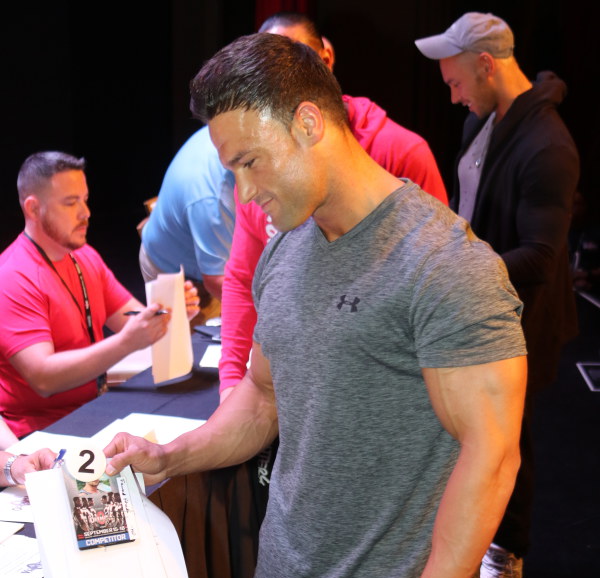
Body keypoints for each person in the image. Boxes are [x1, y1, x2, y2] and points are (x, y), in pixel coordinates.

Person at [105, 33, 527, 578]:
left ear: (308, 123)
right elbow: (263, 399)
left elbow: (493, 455)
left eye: (250, 163)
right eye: (232, 170)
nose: (244, 192)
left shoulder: (447, 267)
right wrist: (169, 456)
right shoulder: (288, 248)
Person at [415, 12, 580, 578]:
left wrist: (459, 269)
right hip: (479, 302)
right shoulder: (483, 122)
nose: (453, 96)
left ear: (486, 65)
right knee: (470, 431)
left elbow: (541, 256)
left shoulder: (548, 147)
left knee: (509, 439)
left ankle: (506, 560)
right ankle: (468, 542)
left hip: (524, 319)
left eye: (457, 82)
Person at [219, 12, 449, 398]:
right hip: (293, 387)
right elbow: (243, 279)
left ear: (325, 60)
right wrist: (231, 382)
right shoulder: (257, 174)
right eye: (266, 74)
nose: (280, 84)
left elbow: (441, 290)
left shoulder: (401, 152)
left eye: (294, 62)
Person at [0, 151, 200, 439]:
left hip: (93, 409)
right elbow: (43, 378)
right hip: (40, 434)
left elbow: (133, 319)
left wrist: (171, 313)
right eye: (71, 203)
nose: (86, 213)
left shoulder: (84, 256)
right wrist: (126, 342)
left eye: (85, 199)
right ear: (33, 209)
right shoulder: (12, 276)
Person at [139, 125, 235, 302]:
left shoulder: (230, 131)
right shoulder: (212, 199)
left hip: (211, 252)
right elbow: (217, 281)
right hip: (174, 273)